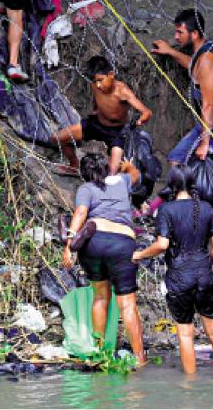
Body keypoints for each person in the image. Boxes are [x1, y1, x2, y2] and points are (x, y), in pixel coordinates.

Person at [152, 9, 213, 246]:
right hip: (209, 125)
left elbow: (208, 104)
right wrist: (171, 52)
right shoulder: (200, 54)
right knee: (177, 158)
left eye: (180, 32)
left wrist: (205, 142)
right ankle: (183, 212)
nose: (176, 36)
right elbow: (192, 65)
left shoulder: (207, 59)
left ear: (194, 33)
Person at [132, 165, 213, 374]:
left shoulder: (166, 210)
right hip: (204, 276)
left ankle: (190, 387)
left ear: (172, 186)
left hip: (178, 278)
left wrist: (139, 254)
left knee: (185, 334)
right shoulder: (206, 208)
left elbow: (162, 245)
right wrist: (207, 262)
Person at [61, 153, 146, 365]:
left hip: (94, 242)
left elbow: (81, 213)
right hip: (122, 242)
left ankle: (99, 353)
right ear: (107, 169)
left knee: (100, 297)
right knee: (127, 304)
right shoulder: (122, 181)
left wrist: (69, 245)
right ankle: (139, 357)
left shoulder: (86, 188)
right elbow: (136, 175)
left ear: (84, 174)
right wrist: (127, 167)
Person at [50, 56, 153, 176]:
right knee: (57, 138)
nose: (98, 85)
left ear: (111, 75)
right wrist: (95, 111)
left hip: (117, 132)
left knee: (112, 172)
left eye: (100, 80)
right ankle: (74, 166)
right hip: (96, 124)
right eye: (95, 81)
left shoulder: (122, 91)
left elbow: (147, 111)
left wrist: (142, 119)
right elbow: (97, 101)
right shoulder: (95, 85)